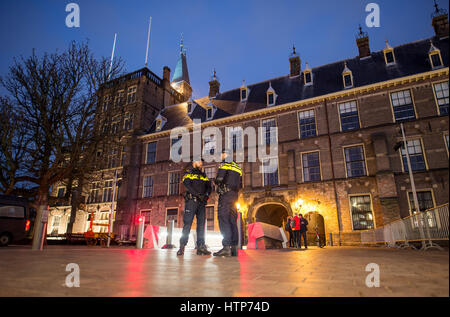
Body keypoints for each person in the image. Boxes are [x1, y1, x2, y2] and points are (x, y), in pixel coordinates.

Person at [177, 159, 212, 256]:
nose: (200, 163)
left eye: (201, 162)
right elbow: (187, 185)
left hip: (202, 203)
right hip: (192, 201)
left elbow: (209, 187)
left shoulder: (204, 176)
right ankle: (182, 246)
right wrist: (197, 195)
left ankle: (201, 247)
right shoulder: (189, 173)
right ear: (193, 163)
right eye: (198, 162)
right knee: (187, 224)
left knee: (201, 225)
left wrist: (206, 195)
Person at [213, 149, 242, 257]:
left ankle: (226, 247)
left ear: (226, 154)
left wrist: (215, 182)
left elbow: (220, 178)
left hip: (225, 195)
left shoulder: (225, 163)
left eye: (221, 154)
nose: (220, 156)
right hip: (235, 196)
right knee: (232, 221)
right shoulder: (238, 166)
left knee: (223, 219)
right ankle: (234, 248)